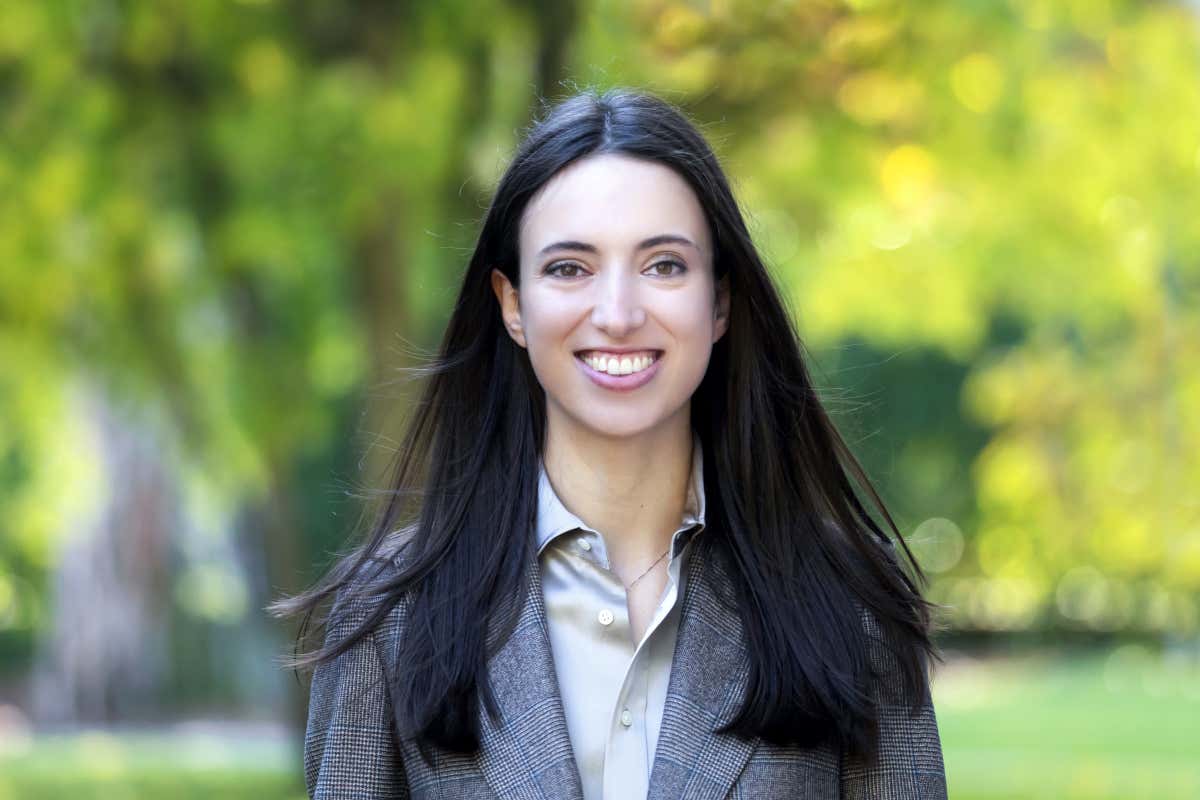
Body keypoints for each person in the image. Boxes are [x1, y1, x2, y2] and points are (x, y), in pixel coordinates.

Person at [271, 87, 948, 800]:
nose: (618, 314)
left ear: (718, 301)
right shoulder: (390, 617)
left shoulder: (847, 603)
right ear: (512, 305)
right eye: (569, 268)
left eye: (663, 265)